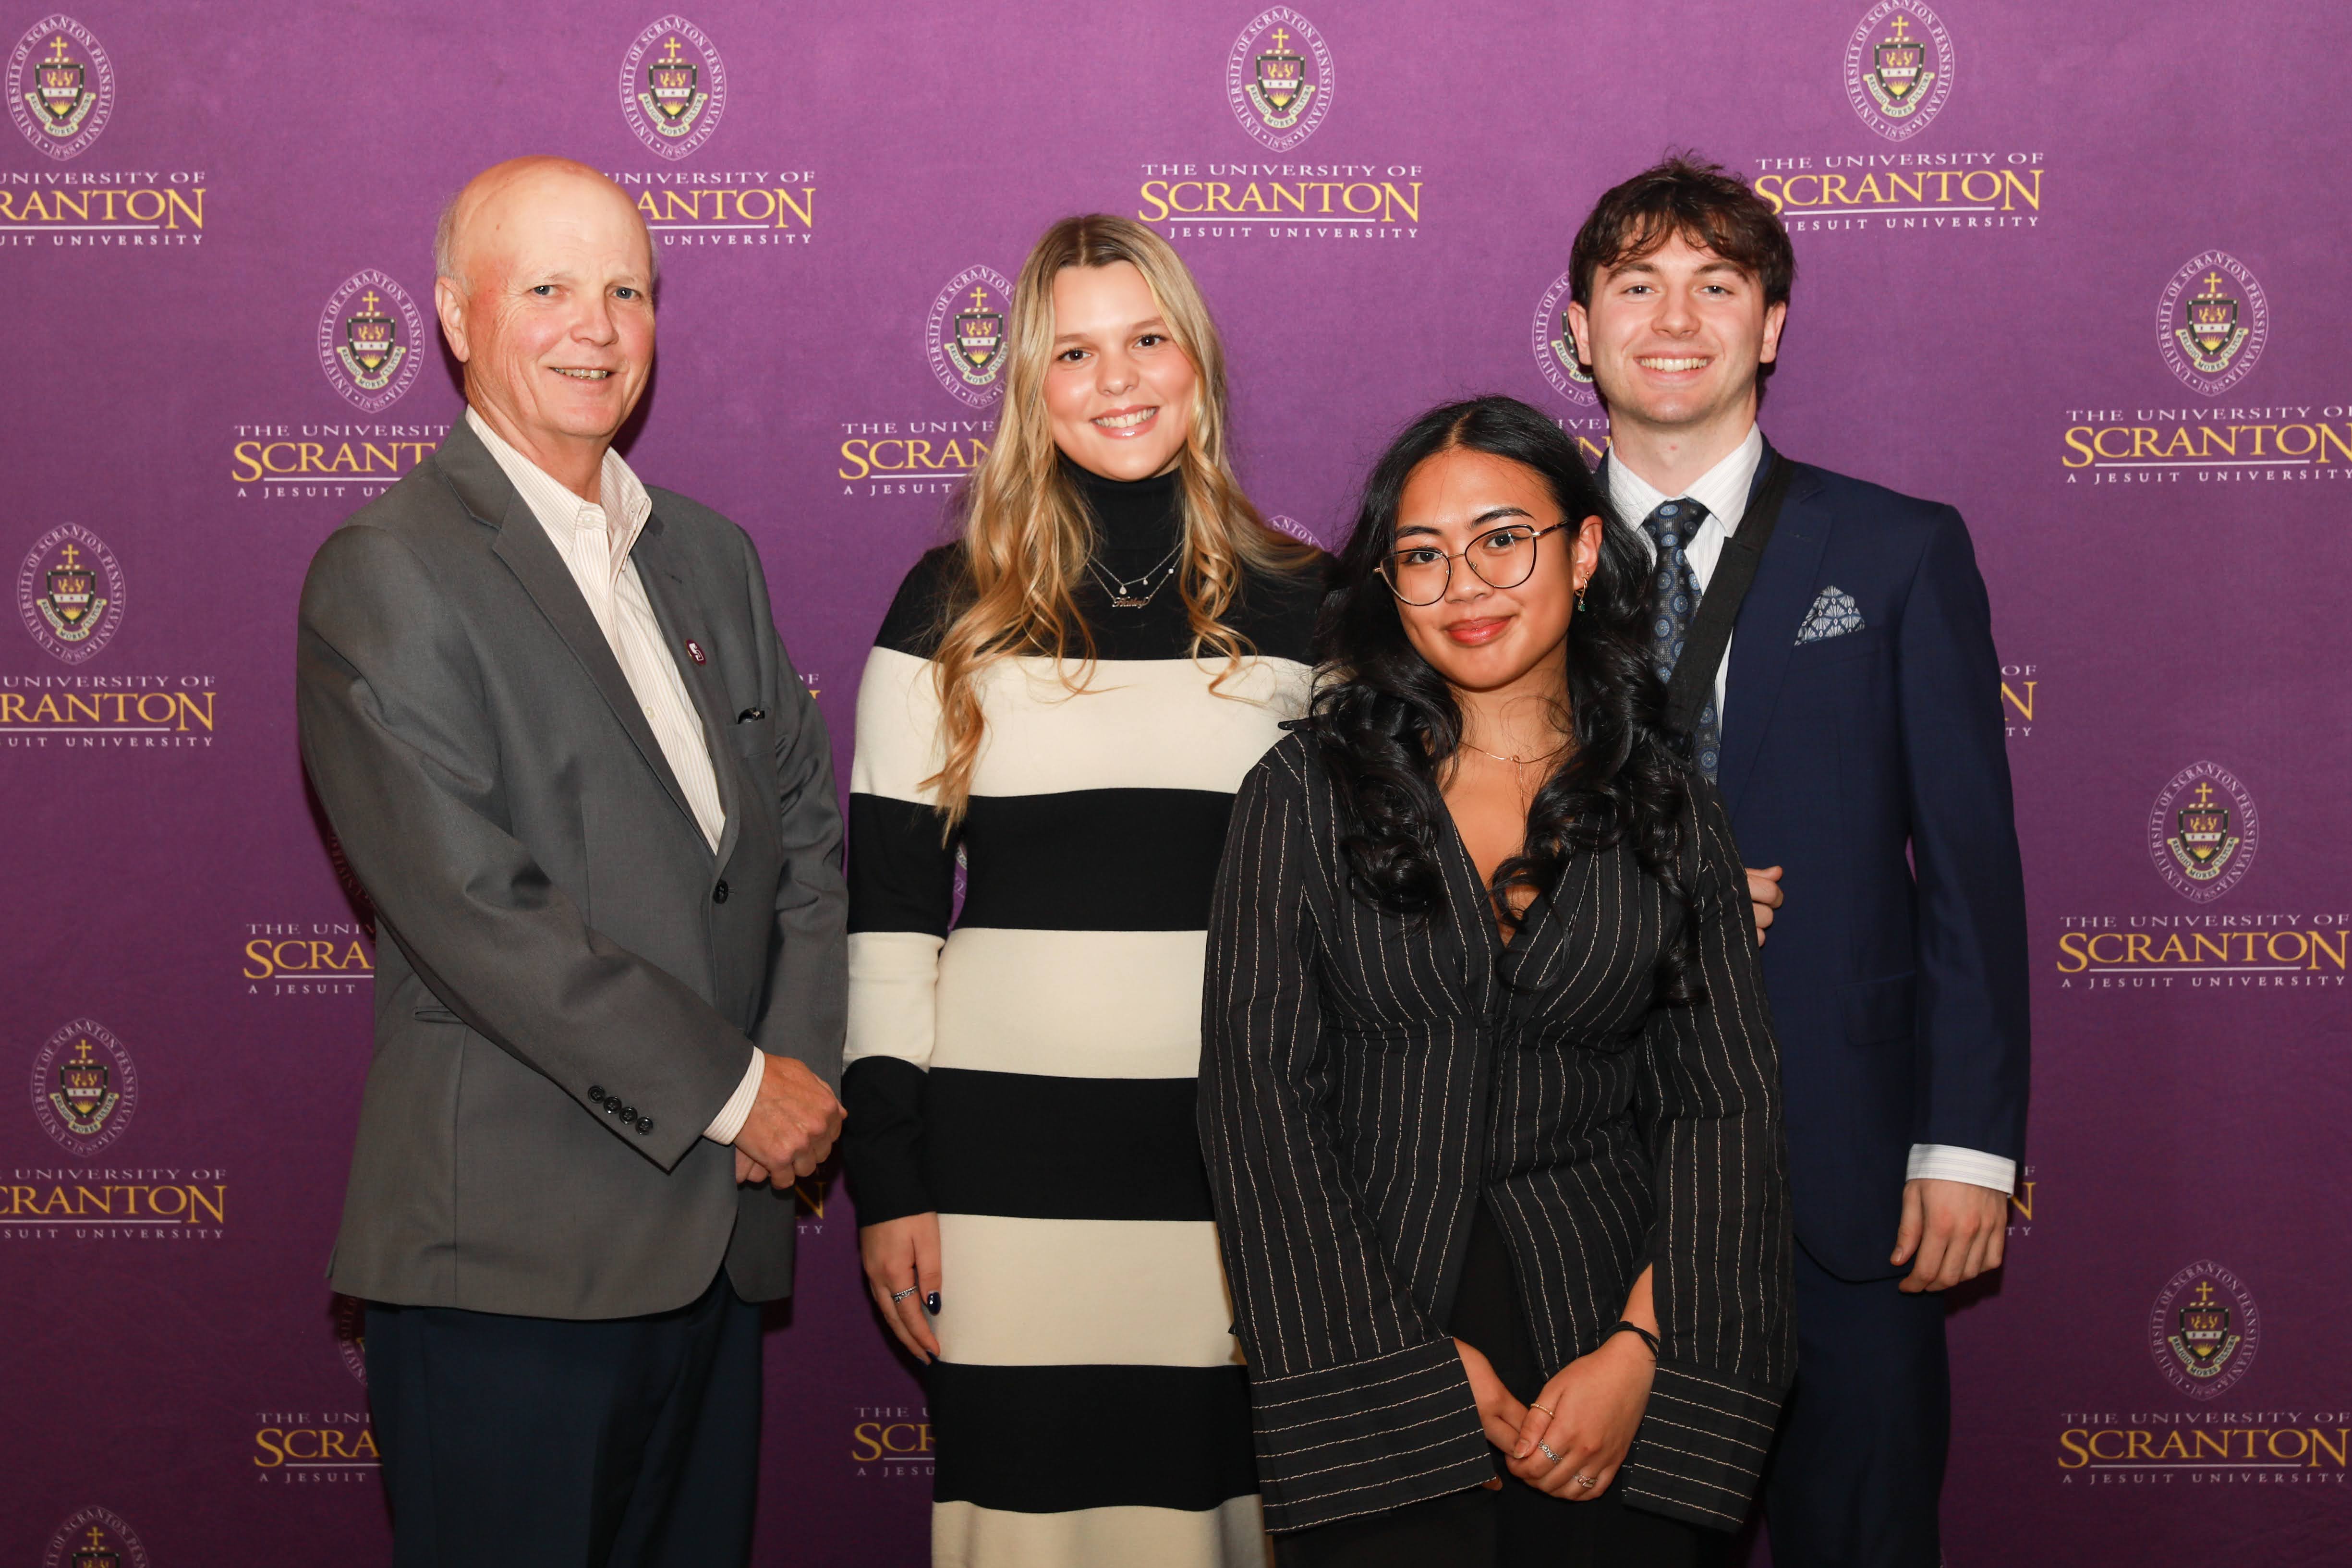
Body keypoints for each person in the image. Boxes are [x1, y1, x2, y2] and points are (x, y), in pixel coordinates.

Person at [294, 157, 846, 1567]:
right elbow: (477, 911)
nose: (593, 326)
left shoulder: (712, 558)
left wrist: (786, 1096)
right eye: (545, 288)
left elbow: (801, 844)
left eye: (625, 291)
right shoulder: (389, 570)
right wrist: (738, 1093)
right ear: (456, 319)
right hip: (511, 1273)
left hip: (717, 1244)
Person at [1200, 394, 1794, 1567]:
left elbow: (1724, 1111)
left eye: (1501, 540)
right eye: (1422, 556)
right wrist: (1401, 1363)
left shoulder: (1669, 803)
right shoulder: (1304, 791)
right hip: (1365, 1345)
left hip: (1608, 1358)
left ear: (1580, 550)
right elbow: (1256, 1103)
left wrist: (1643, 1349)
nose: (1464, 584)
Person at [1559, 157, 2031, 1567]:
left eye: (1718, 284)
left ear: (1770, 325)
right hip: (1581, 1169)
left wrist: (1967, 1143)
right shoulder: (1504, 557)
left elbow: (1968, 872)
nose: (1674, 318)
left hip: (1849, 1176)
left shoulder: (1894, 551)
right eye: (1634, 284)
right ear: (1578, 327)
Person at [840, 213, 1323, 1565]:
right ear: (1029, 389)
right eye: (1074, 352)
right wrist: (889, 1178)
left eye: (1147, 340)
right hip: (1004, 1172)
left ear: (1198, 364)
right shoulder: (948, 605)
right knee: (1028, 1520)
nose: (1118, 380)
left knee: (1218, 1517)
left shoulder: (1309, 607)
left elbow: (1363, 922)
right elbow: (886, 927)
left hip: (1238, 1162)